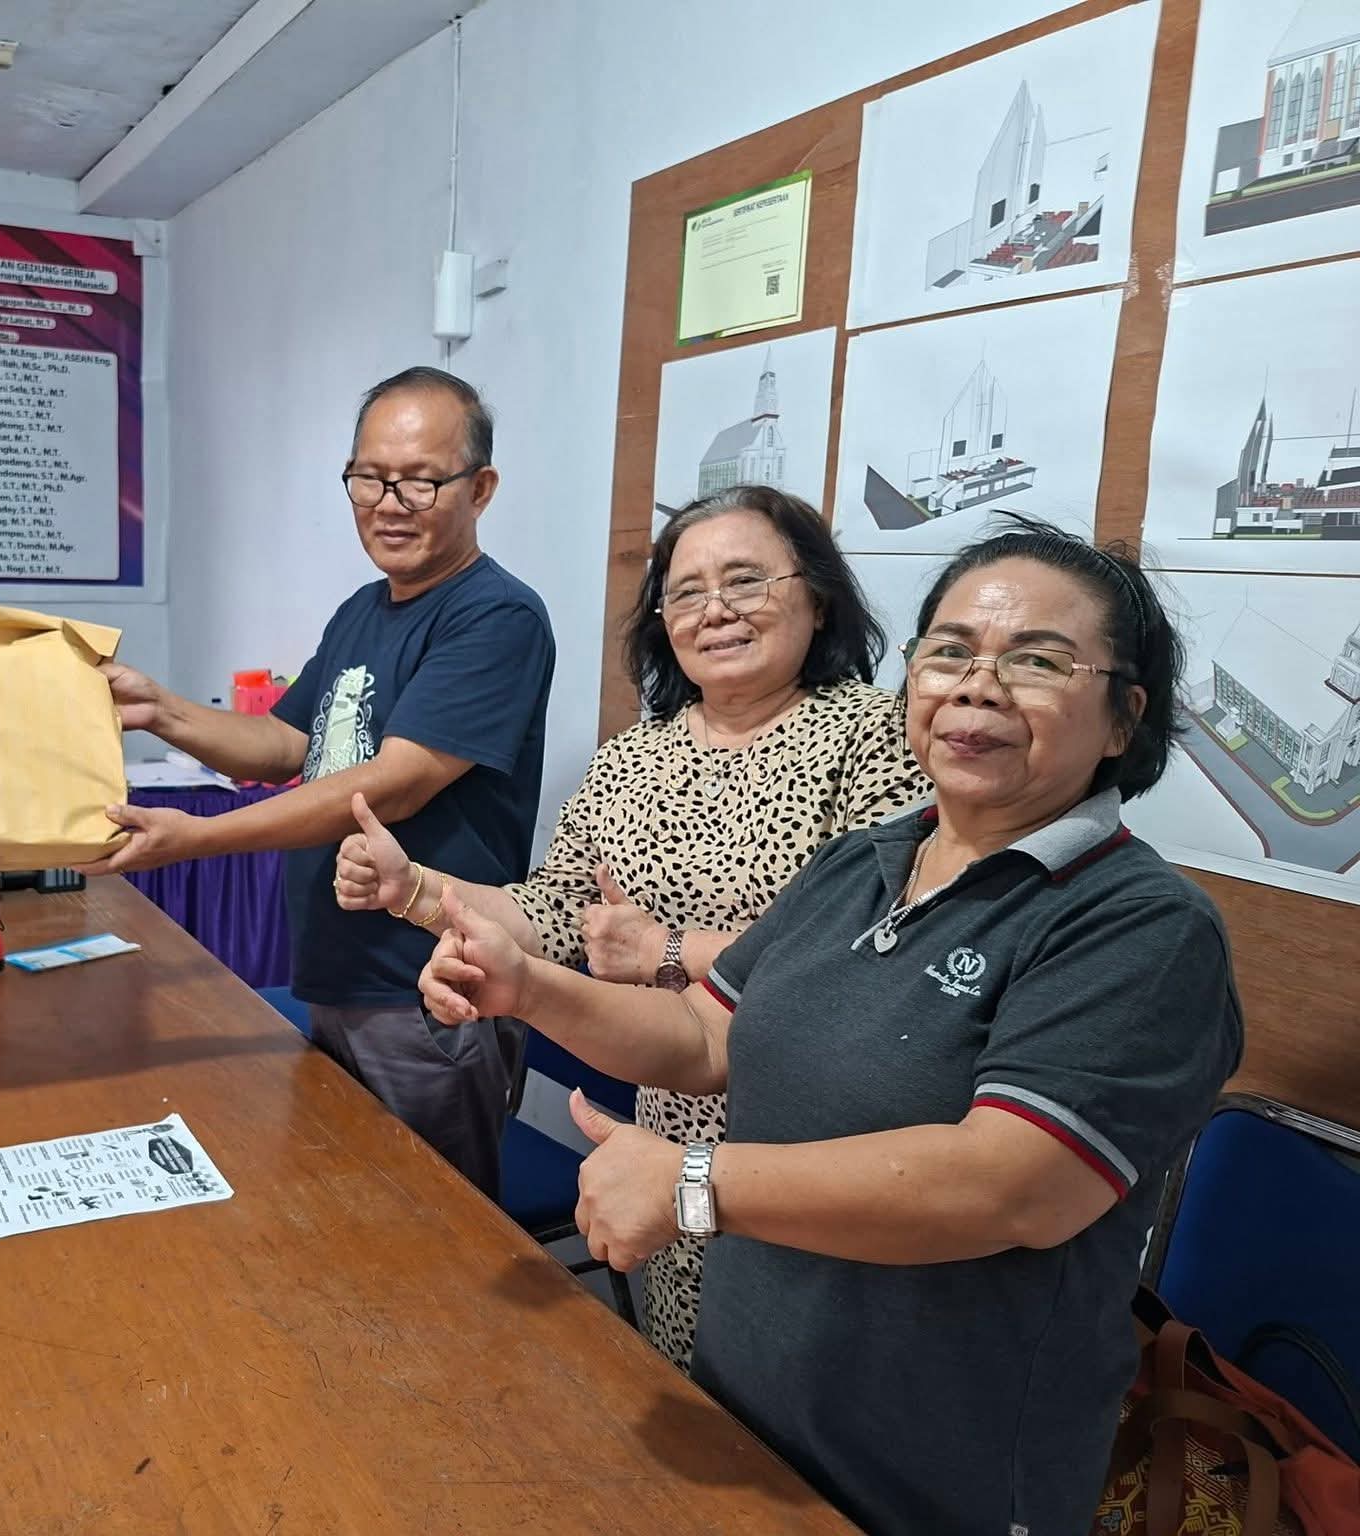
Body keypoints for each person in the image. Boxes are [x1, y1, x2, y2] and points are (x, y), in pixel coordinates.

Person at [419, 516, 1242, 1536]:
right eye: (947, 651)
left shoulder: (1138, 925)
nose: (976, 686)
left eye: (1034, 661)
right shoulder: (869, 861)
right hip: (746, 1409)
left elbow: (1011, 1184)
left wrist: (690, 1183)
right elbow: (706, 1039)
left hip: (934, 1469)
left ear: (1123, 717)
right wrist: (528, 987)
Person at [332, 485, 925, 1366]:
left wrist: (667, 952)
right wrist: (413, 888)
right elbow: (556, 912)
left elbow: (888, 949)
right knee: (693, 1392)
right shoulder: (632, 757)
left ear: (818, 596)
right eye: (685, 591)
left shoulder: (881, 738)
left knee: (814, 1395)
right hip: (669, 1120)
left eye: (746, 580)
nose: (714, 610)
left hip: (825, 1136)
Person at [82, 366, 555, 1195]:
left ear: (480, 489)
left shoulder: (496, 616)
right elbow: (279, 742)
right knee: (343, 1214)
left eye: (420, 481)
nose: (388, 502)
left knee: (428, 1234)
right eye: (369, 477)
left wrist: (199, 838)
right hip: (341, 971)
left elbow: (396, 783)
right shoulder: (363, 610)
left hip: (425, 986)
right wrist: (158, 706)